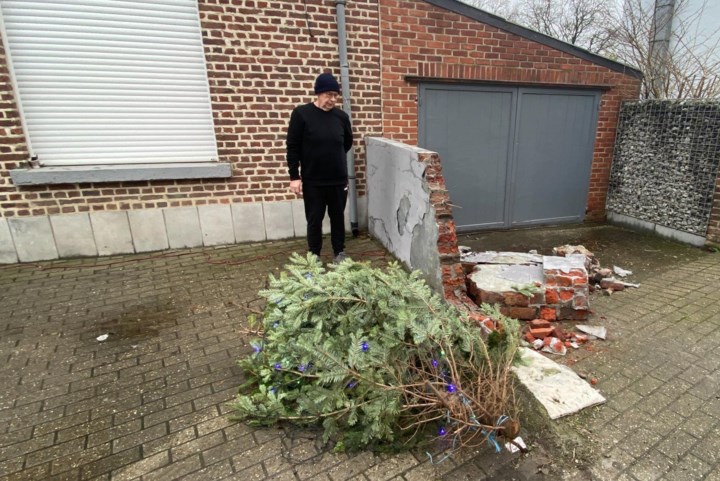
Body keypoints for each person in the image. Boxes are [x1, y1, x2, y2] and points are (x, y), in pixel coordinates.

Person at [286, 72, 353, 264]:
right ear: (318, 93)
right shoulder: (301, 114)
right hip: (313, 180)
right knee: (314, 219)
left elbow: (346, 142)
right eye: (328, 94)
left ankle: (339, 252)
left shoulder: (341, 117)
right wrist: (294, 176)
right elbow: (293, 146)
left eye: (335, 95)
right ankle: (314, 255)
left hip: (338, 180)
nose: (332, 99)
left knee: (337, 218)